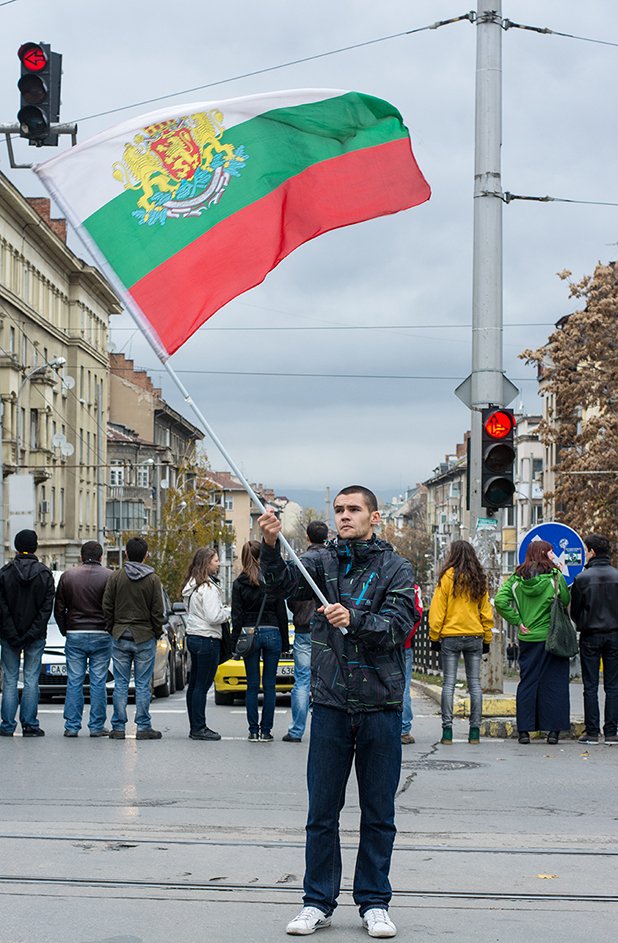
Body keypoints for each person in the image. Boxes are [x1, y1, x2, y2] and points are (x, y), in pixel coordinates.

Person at [259, 486, 418, 939]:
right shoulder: (320, 561)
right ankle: (317, 902)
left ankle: (374, 902)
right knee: (322, 811)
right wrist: (270, 545)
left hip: (380, 706)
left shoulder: (396, 567)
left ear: (374, 516)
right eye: (339, 510)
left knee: (378, 812)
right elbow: (280, 583)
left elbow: (398, 628)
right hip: (330, 703)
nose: (345, 516)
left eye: (353, 510)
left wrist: (354, 619)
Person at [495, 539, 570, 745]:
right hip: (552, 637)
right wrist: (562, 572)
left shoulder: (516, 578)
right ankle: (553, 732)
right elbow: (564, 600)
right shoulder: (555, 577)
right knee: (554, 683)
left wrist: (517, 621)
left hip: (528, 638)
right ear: (546, 554)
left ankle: (524, 732)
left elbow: (500, 601)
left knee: (528, 682)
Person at [428, 541, 493, 746]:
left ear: (453, 555)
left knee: (449, 684)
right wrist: (487, 638)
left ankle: (447, 732)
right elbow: (486, 611)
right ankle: (474, 732)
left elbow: (438, 610)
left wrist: (434, 636)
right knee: (475, 685)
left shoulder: (447, 577)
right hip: (475, 635)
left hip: (451, 636)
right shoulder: (479, 579)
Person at [102, 536, 164, 740]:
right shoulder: (153, 579)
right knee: (143, 683)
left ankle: (118, 727)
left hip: (120, 635)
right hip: (144, 636)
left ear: (126, 554)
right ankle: (143, 726)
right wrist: (157, 632)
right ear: (146, 555)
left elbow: (107, 606)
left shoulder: (116, 576)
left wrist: (112, 628)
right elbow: (157, 610)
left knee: (120, 683)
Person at [231, 540, 288, 743]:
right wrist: (285, 642)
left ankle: (253, 730)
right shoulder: (271, 581)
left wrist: (234, 644)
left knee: (252, 685)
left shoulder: (239, 583)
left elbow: (236, 616)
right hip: (273, 632)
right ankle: (266, 731)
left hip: (250, 633)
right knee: (270, 685)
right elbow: (281, 612)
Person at [54, 541, 113, 737]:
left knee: (74, 680)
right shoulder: (109, 576)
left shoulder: (68, 576)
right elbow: (113, 608)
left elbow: (59, 608)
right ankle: (96, 726)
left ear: (81, 556)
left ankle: (72, 725)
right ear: (101, 557)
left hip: (75, 633)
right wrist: (109, 628)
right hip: (101, 634)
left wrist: (66, 629)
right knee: (98, 681)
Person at [0, 530, 55, 738]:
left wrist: (13, 634)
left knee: (10, 679)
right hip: (35, 636)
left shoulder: (5, 573)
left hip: (8, 636)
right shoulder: (45, 574)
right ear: (35, 547)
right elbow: (45, 610)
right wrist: (31, 634)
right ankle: (30, 725)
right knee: (31, 679)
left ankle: (7, 725)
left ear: (16, 547)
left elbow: (2, 609)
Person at [283, 520, 328, 743]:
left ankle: (296, 730)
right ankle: (323, 730)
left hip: (303, 627)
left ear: (308, 538)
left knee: (301, 679)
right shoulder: (332, 561)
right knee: (326, 681)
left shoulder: (300, 563)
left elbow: (291, 595)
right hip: (327, 628)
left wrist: (299, 611)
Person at [570, 533, 618, 745]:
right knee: (613, 685)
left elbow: (575, 610)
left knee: (590, 686)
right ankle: (611, 732)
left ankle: (591, 732)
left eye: (586, 550)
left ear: (592, 552)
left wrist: (584, 622)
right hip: (615, 635)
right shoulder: (617, 576)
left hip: (590, 635)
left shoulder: (582, 579)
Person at [182, 547, 231, 741]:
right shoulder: (208, 588)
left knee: (194, 685)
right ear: (206, 563)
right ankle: (199, 728)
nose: (218, 564)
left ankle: (194, 725)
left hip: (194, 636)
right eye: (215, 560)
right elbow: (213, 616)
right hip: (207, 638)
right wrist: (228, 611)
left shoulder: (191, 586)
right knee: (202, 685)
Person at [401, 583, 423, 745]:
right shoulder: (413, 588)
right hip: (405, 645)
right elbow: (418, 614)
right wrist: (407, 636)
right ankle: (403, 729)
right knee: (404, 686)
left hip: (379, 643)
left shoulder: (377, 579)